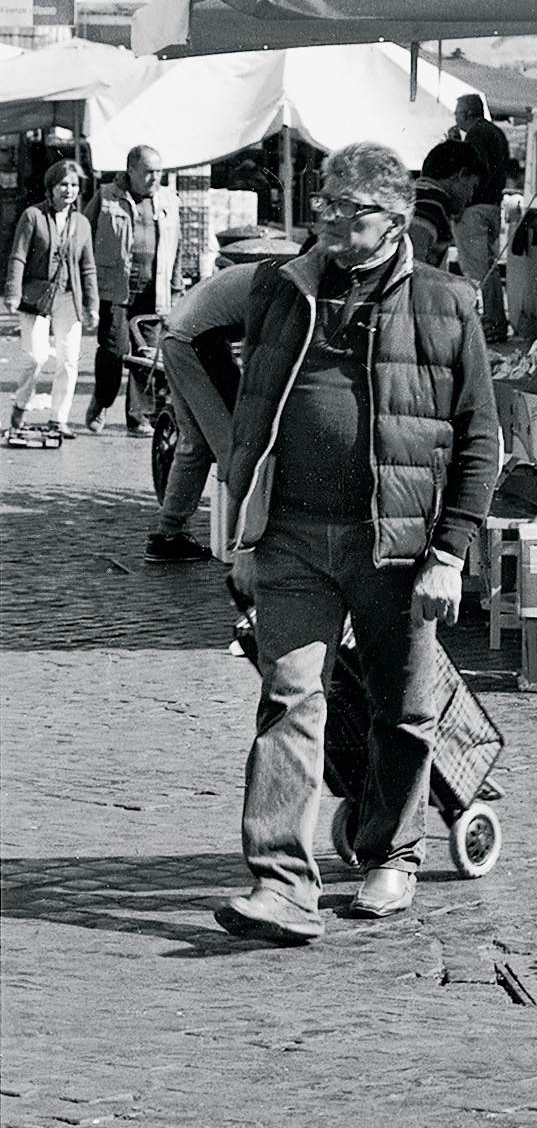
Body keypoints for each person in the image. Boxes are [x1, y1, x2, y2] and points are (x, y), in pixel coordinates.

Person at [213, 143, 500, 944]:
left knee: (400, 711)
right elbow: (233, 388)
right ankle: (281, 887)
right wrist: (240, 519)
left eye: (350, 209)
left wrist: (449, 553)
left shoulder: (446, 302)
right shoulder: (281, 287)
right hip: (292, 536)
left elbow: (481, 439)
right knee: (289, 698)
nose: (332, 220)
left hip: (395, 545)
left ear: (396, 218)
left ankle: (392, 854)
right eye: (326, 204)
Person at [146, 229, 303, 563]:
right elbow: (261, 352)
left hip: (178, 336)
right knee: (236, 443)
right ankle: (242, 542)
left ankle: (168, 534)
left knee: (195, 443)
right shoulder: (288, 285)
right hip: (197, 341)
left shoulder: (276, 271)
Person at [87, 145, 174, 436]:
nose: (155, 177)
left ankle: (139, 417)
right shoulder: (106, 197)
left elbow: (175, 245)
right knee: (114, 351)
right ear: (131, 171)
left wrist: (175, 287)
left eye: (159, 171)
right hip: (115, 289)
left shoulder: (168, 200)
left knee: (147, 355)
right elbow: (85, 236)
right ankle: (102, 400)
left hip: (153, 291)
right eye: (148, 172)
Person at [7, 160, 99, 433]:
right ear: (51, 187)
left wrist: (92, 305)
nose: (69, 190)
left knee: (68, 359)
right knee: (36, 357)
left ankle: (59, 419)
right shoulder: (32, 216)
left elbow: (88, 267)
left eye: (74, 185)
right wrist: (13, 293)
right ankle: (21, 403)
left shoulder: (81, 223)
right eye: (63, 184)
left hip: (68, 297)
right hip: (36, 296)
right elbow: (18, 256)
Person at [448, 95, 511, 309]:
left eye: (457, 113)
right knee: (489, 266)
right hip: (492, 206)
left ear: (467, 114)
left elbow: (475, 171)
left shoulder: (475, 135)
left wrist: (460, 205)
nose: (455, 117)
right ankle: (494, 317)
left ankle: (485, 317)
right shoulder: (495, 132)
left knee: (475, 270)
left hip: (474, 209)